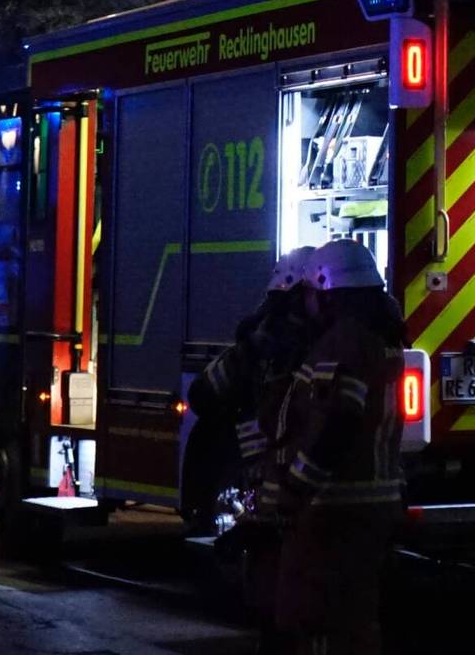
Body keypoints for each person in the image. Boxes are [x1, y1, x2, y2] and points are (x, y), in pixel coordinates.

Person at [273, 239, 405, 655]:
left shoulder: (342, 342)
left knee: (319, 616)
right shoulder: (380, 339)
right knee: (358, 617)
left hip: (335, 508)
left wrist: (295, 488)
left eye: (311, 294)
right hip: (373, 502)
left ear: (327, 291)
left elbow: (336, 420)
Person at [188, 247, 318, 612]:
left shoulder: (265, 342)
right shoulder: (282, 344)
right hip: (282, 484)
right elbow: (205, 394)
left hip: (277, 484)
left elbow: (206, 394)